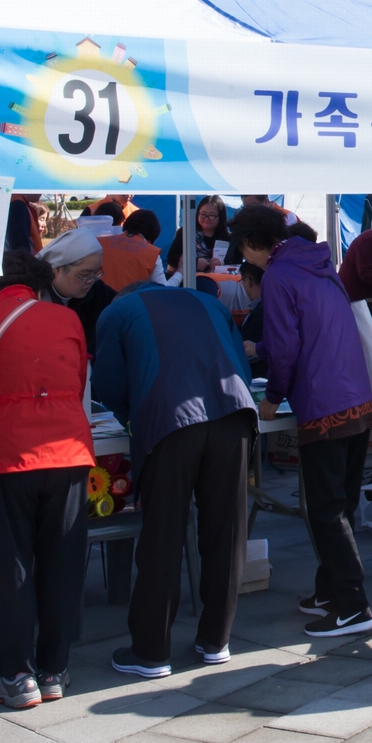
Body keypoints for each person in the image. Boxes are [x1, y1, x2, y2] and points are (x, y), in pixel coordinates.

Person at [92, 266, 259, 678]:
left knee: (163, 532)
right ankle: (216, 640)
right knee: (226, 529)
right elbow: (241, 365)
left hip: (169, 422)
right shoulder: (207, 301)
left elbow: (108, 386)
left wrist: (132, 419)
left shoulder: (117, 312)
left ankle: (151, 651)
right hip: (234, 415)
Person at [0, 251, 95, 709]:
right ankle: (53, 670)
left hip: (4, 455)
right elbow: (77, 381)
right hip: (68, 451)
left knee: (11, 566)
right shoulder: (67, 319)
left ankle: (16, 675)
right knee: (62, 562)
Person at [237, 205, 372, 638]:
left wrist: (272, 397)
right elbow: (312, 331)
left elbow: (286, 347)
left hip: (323, 402)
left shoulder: (279, 275)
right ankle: (330, 591)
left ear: (252, 244)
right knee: (341, 504)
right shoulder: (319, 262)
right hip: (356, 395)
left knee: (325, 510)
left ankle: (353, 604)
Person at [36, 228, 112, 351]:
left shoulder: (99, 293)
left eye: (96, 273)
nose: (91, 280)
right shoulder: (34, 297)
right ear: (56, 270)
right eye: (84, 275)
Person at [99, 210, 167, 293]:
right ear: (152, 236)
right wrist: (179, 273)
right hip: (130, 300)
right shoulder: (152, 253)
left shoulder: (100, 243)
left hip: (99, 298)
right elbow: (162, 290)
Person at [165, 197, 228, 277]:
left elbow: (236, 262)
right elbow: (171, 259)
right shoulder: (187, 232)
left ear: (220, 216)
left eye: (211, 215)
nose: (207, 218)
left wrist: (222, 264)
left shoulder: (227, 238)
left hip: (218, 281)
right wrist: (194, 263)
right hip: (187, 280)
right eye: (203, 214)